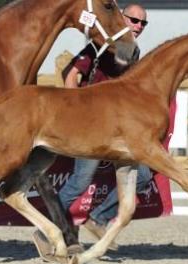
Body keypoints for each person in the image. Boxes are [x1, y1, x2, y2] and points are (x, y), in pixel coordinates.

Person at [58, 3, 150, 250]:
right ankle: (49, 232)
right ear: (121, 18)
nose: (138, 26)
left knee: (143, 175)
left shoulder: (133, 51)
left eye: (143, 23)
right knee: (79, 182)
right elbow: (71, 74)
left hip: (118, 131)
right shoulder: (100, 45)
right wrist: (74, 110)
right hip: (91, 127)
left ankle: (98, 218)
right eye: (134, 20)